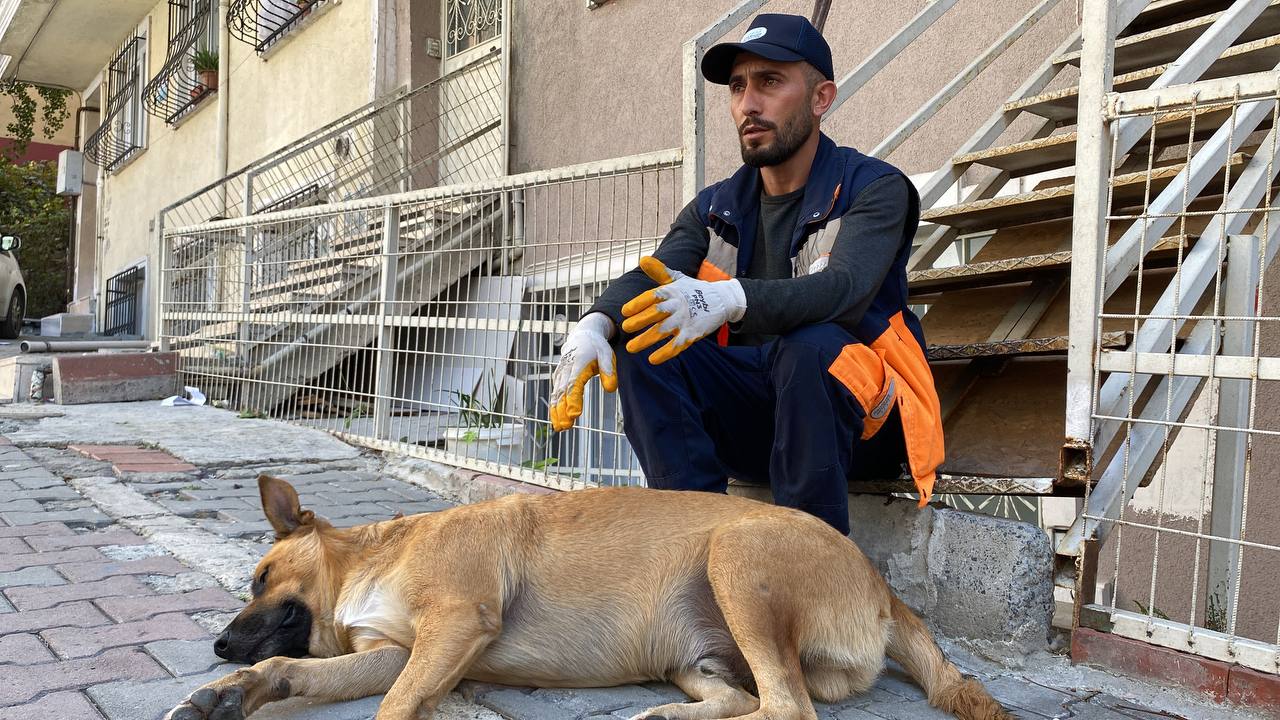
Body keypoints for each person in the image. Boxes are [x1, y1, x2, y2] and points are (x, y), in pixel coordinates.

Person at [547, 13, 944, 535]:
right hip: (761, 425)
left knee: (811, 345)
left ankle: (809, 567)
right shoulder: (717, 206)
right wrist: (594, 324)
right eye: (737, 87)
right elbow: (654, 274)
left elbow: (842, 291)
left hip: (863, 426)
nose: (748, 104)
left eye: (770, 82)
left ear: (821, 98)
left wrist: (730, 298)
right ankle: (692, 543)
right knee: (642, 339)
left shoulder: (873, 189)